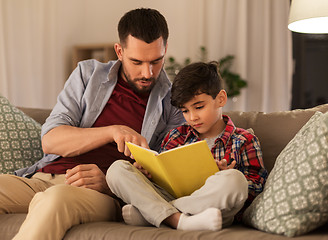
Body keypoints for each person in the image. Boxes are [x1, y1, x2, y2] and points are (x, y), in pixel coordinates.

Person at [0, 8, 184, 240]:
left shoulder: (175, 102)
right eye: (137, 62)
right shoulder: (87, 75)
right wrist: (113, 131)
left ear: (166, 50)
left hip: (101, 195)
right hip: (42, 179)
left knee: (56, 199)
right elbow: (51, 140)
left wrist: (109, 183)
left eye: (156, 61)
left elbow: (169, 183)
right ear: (119, 51)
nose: (147, 72)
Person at [106, 61, 268, 231]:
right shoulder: (176, 135)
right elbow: (163, 181)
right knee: (117, 170)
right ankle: (179, 220)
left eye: (199, 107)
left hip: (214, 204)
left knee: (235, 180)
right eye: (185, 111)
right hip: (174, 196)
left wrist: (223, 174)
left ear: (221, 99)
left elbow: (255, 190)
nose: (192, 117)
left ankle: (155, 213)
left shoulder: (244, 140)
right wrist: (146, 174)